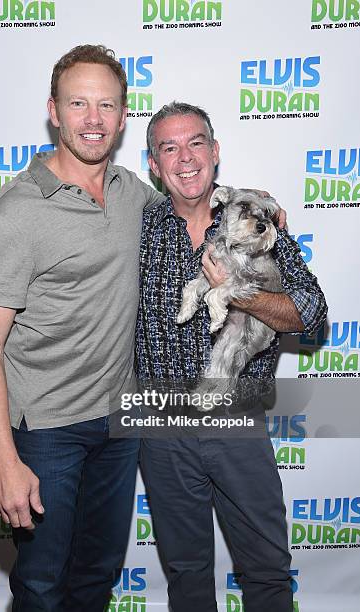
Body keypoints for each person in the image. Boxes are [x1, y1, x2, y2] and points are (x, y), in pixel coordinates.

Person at [0, 44, 165, 612]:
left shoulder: (132, 194)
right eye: (79, 103)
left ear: (125, 117)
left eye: (106, 106)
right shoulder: (15, 214)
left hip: (119, 424)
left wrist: (254, 205)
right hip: (47, 431)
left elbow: (193, 213)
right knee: (43, 586)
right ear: (53, 110)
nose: (93, 120)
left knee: (96, 578)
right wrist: (3, 462)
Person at [136, 102, 328, 612]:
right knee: (186, 573)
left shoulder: (259, 219)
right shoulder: (137, 223)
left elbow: (310, 312)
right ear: (153, 165)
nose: (185, 158)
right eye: (168, 148)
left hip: (238, 417)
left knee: (265, 569)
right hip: (160, 423)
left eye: (196, 142)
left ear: (215, 152)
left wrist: (238, 293)